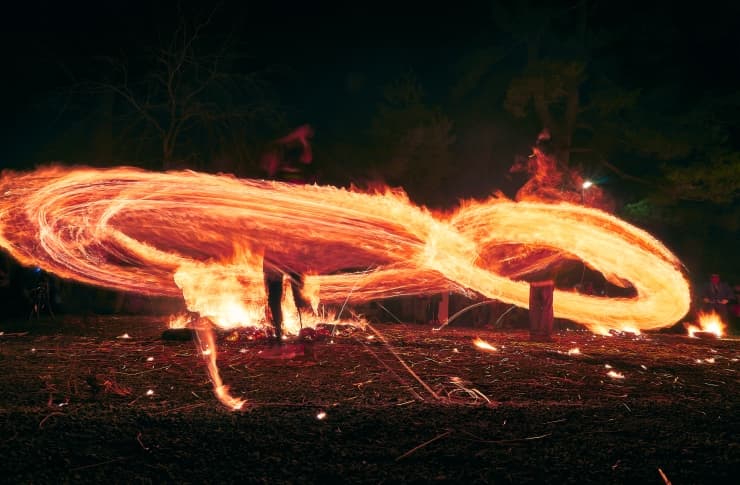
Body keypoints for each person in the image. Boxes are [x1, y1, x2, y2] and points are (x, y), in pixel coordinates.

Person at [260, 125, 315, 342]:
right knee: (275, 293)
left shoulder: (297, 180)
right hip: (277, 247)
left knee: (296, 291)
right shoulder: (278, 180)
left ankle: (294, 331)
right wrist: (295, 138)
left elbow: (307, 159)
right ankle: (278, 333)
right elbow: (271, 161)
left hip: (290, 247)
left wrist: (301, 140)